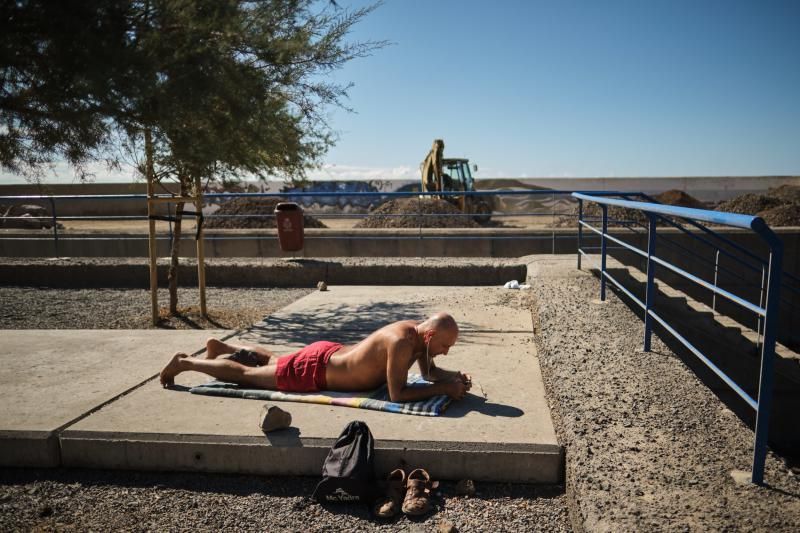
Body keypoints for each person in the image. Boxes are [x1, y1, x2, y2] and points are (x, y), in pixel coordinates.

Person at [159, 312, 472, 402]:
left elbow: (429, 373)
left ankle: (221, 348)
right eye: (445, 346)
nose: (446, 351)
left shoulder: (418, 337)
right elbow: (397, 393)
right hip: (317, 371)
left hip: (329, 354)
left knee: (275, 361)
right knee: (246, 377)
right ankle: (185, 363)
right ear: (430, 336)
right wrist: (445, 390)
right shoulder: (402, 343)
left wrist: (452, 378)